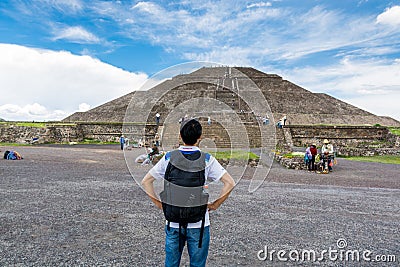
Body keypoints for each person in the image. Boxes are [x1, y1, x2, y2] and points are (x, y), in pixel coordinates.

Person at [141, 119, 235, 267]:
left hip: (173, 220)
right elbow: (230, 182)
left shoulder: (169, 157)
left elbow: (146, 181)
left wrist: (160, 205)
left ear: (180, 135)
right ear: (199, 138)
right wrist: (215, 204)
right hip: (199, 222)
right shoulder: (207, 159)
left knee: (171, 264)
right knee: (197, 264)